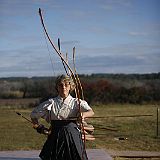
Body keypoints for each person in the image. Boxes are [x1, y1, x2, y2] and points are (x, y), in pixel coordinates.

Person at [30, 75, 94, 160]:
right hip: (55, 135)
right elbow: (33, 115)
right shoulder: (51, 102)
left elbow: (91, 112)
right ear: (57, 87)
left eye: (66, 85)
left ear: (70, 87)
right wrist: (39, 127)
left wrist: (83, 115)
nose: (63, 87)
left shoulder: (76, 102)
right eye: (60, 85)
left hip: (73, 135)